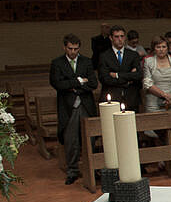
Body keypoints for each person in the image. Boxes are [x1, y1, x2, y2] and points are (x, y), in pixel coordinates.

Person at [49, 34, 98, 185]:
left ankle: (93, 169)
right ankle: (72, 171)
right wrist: (79, 81)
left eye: (76, 49)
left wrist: (72, 85)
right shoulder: (57, 63)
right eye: (70, 48)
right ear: (65, 47)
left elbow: (93, 84)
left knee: (89, 139)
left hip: (85, 104)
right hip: (68, 106)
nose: (73, 52)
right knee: (71, 140)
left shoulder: (86, 62)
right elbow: (57, 84)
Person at [98, 24, 142, 111]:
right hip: (112, 98)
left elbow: (138, 75)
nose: (120, 39)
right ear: (111, 38)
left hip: (131, 98)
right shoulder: (104, 56)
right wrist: (128, 78)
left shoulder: (133, 55)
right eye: (117, 37)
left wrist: (117, 75)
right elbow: (105, 79)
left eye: (122, 36)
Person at [143, 36, 171, 112]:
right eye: (158, 47)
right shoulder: (148, 61)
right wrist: (165, 95)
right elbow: (147, 83)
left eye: (164, 47)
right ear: (154, 49)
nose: (161, 49)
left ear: (168, 48)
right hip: (154, 102)